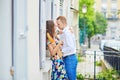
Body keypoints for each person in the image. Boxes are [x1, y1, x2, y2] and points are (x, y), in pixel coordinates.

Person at [56, 16, 78, 80]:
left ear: (64, 23)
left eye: (58, 24)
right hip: (69, 58)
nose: (57, 26)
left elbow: (70, 47)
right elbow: (64, 43)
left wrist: (61, 51)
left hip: (70, 58)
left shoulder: (67, 32)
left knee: (71, 78)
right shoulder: (65, 31)